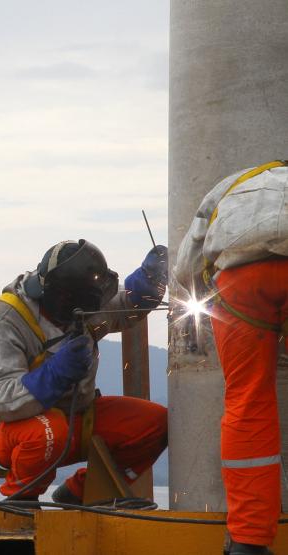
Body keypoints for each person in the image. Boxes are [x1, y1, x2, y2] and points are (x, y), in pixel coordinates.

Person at [0, 239, 169, 505]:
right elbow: (1, 401)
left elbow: (125, 306)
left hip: (75, 419)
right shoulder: (4, 322)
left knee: (156, 424)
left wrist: (148, 284)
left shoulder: (85, 302)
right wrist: (55, 373)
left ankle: (81, 492)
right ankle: (21, 502)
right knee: (50, 431)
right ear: (64, 299)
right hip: (16, 431)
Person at [174, 160, 288, 555]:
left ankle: (248, 542)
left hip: (240, 280)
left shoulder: (232, 186)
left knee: (248, 400)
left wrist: (200, 305)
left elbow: (186, 268)